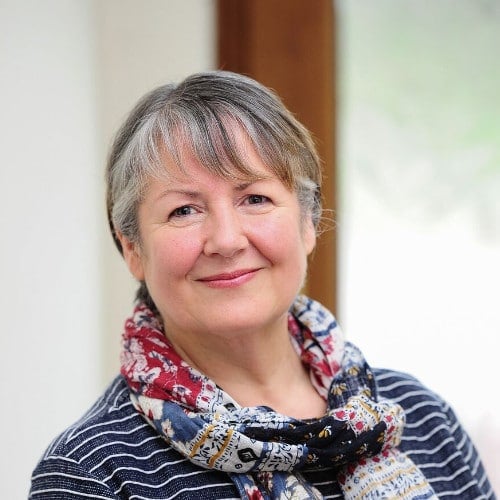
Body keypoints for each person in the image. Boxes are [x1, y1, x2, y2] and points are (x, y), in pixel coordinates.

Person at [29, 71, 495, 499]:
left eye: (255, 198)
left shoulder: (423, 418)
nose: (227, 240)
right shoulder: (92, 473)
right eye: (183, 210)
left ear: (308, 224)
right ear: (132, 248)